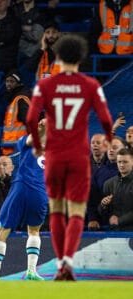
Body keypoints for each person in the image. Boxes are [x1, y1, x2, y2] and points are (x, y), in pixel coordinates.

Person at [26, 34, 114, 281]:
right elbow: (106, 118)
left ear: (58, 56)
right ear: (82, 57)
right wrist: (108, 138)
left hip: (54, 154)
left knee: (55, 210)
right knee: (76, 211)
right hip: (78, 156)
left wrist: (37, 146)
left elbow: (32, 118)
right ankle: (67, 262)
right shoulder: (90, 84)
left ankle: (60, 261)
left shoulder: (45, 84)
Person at [0, 120, 48, 281]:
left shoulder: (27, 141)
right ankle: (31, 271)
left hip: (22, 188)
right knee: (34, 231)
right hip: (40, 193)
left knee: (3, 231)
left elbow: (31, 139)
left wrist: (41, 127)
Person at [100, 148, 133, 231]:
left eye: (125, 162)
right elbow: (103, 214)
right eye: (119, 162)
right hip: (113, 232)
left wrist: (119, 220)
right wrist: (103, 205)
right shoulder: (108, 184)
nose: (121, 165)